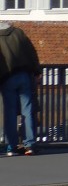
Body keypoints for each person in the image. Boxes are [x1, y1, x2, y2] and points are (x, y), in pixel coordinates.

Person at [0, 22, 40, 155]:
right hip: (24, 75)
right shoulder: (18, 33)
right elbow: (31, 52)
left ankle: (12, 146)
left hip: (7, 77)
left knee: (10, 113)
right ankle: (30, 144)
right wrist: (36, 71)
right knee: (27, 110)